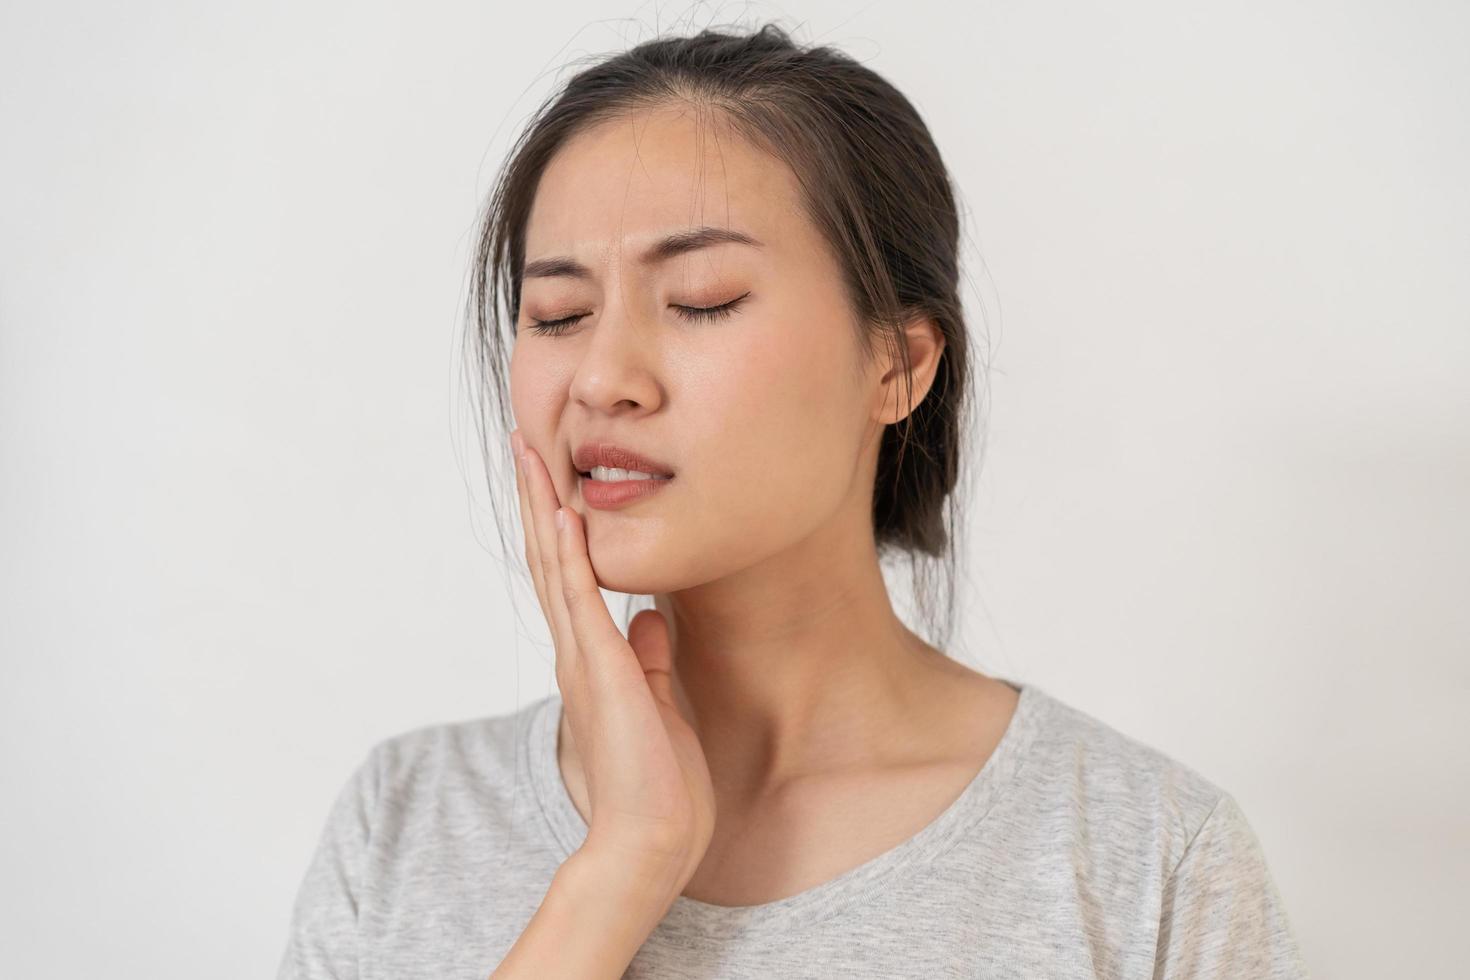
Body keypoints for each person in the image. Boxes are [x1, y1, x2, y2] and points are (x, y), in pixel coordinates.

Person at [276, 22, 1309, 979]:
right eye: (557, 312)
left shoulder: (1147, 857)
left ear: (898, 364)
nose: (601, 377)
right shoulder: (407, 821)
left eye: (702, 301)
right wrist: (617, 871)